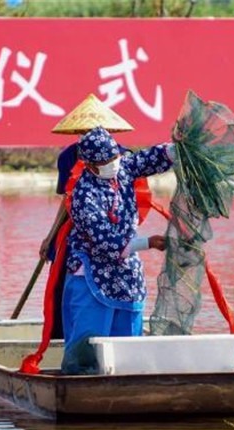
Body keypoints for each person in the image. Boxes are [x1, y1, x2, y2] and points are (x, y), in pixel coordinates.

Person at [61, 127, 174, 374]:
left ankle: (126, 380)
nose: (113, 164)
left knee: (127, 342)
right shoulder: (84, 195)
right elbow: (105, 242)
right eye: (105, 162)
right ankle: (82, 381)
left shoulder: (122, 170)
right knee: (89, 340)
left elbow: (148, 159)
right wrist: (149, 243)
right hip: (92, 271)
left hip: (125, 273)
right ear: (90, 165)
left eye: (114, 158)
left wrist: (178, 151)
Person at [39, 95, 134, 339]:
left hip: (116, 235)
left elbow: (132, 203)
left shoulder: (123, 157)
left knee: (119, 290)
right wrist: (50, 237)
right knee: (64, 289)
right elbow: (67, 200)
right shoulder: (69, 156)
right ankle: (62, 340)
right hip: (78, 235)